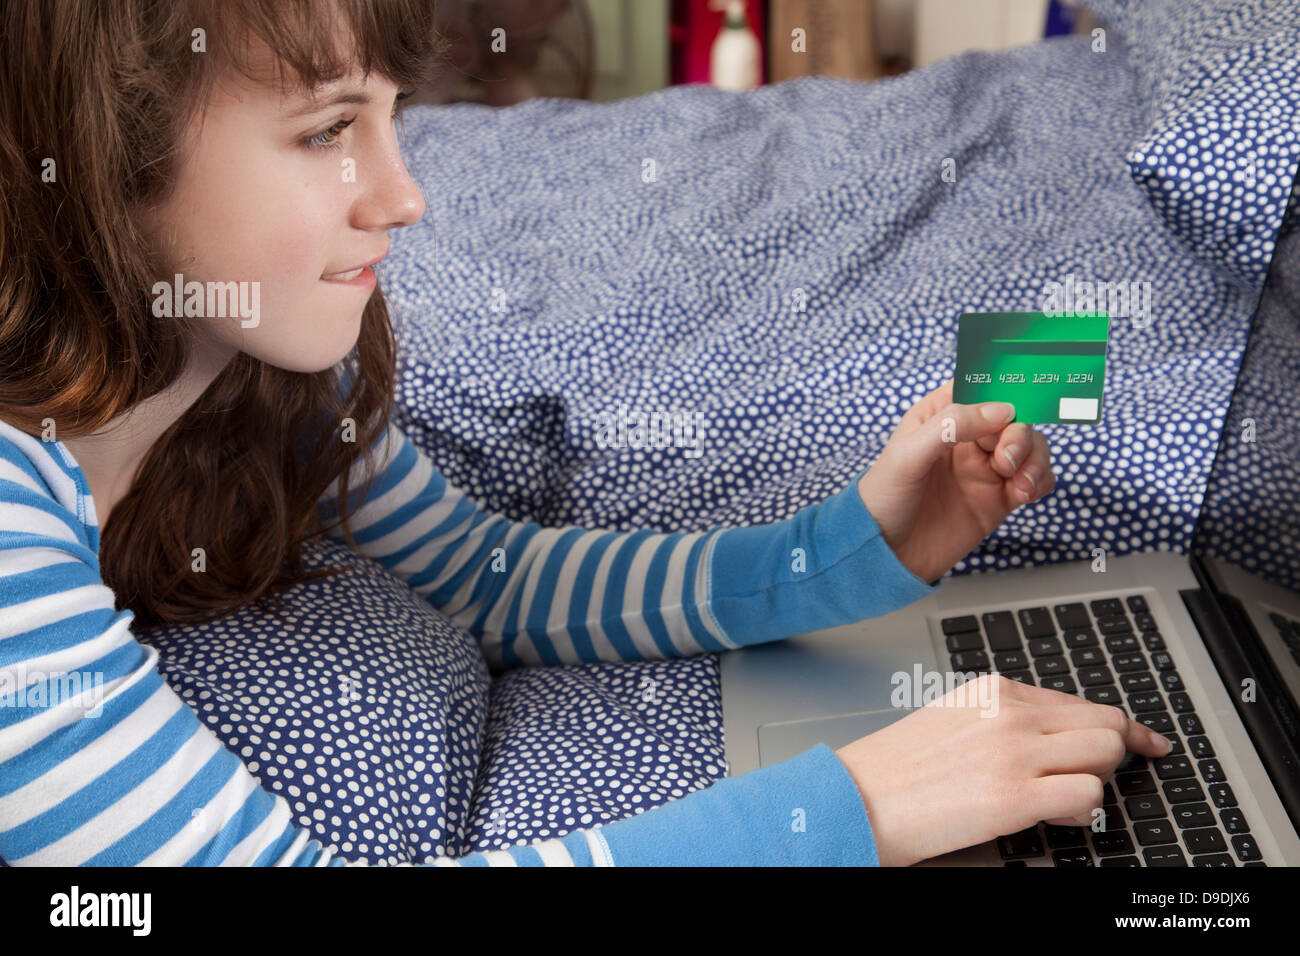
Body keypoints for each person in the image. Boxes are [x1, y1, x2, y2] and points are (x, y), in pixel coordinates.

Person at [0, 0, 1169, 867]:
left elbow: (481, 580)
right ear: (111, 156)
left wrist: (845, 549)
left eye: (395, 120)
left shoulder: (256, 368)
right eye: (325, 132)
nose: (405, 196)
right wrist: (851, 807)